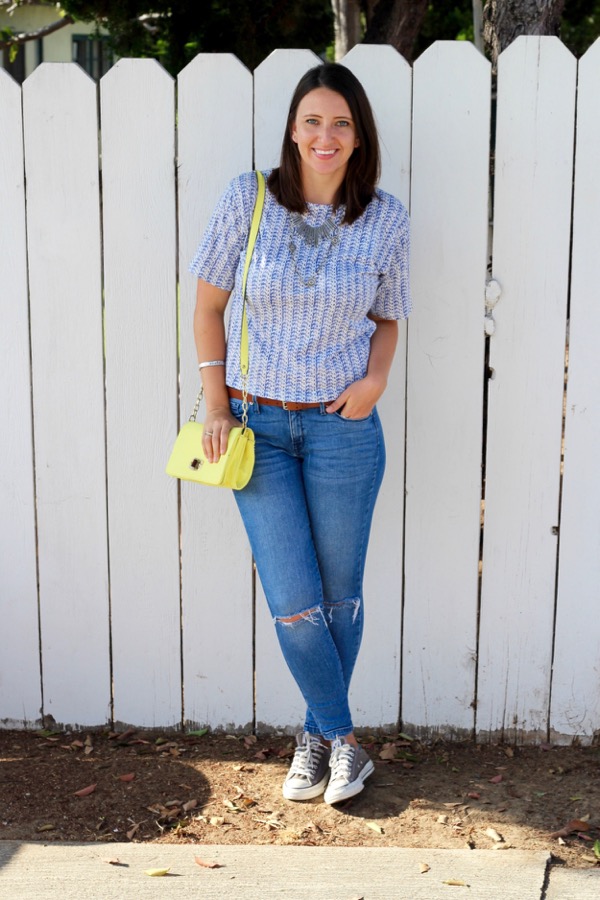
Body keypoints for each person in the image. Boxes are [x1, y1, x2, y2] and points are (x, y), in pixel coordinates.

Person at [189, 62, 411, 805]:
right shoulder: (247, 199)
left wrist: (375, 382)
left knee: (340, 597)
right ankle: (345, 737)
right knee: (293, 600)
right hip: (256, 428)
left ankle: (316, 738)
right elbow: (208, 308)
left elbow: (388, 319)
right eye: (313, 121)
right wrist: (216, 405)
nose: (326, 135)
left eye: (341, 123)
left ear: (358, 137)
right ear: (293, 128)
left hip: (343, 430)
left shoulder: (386, 217)